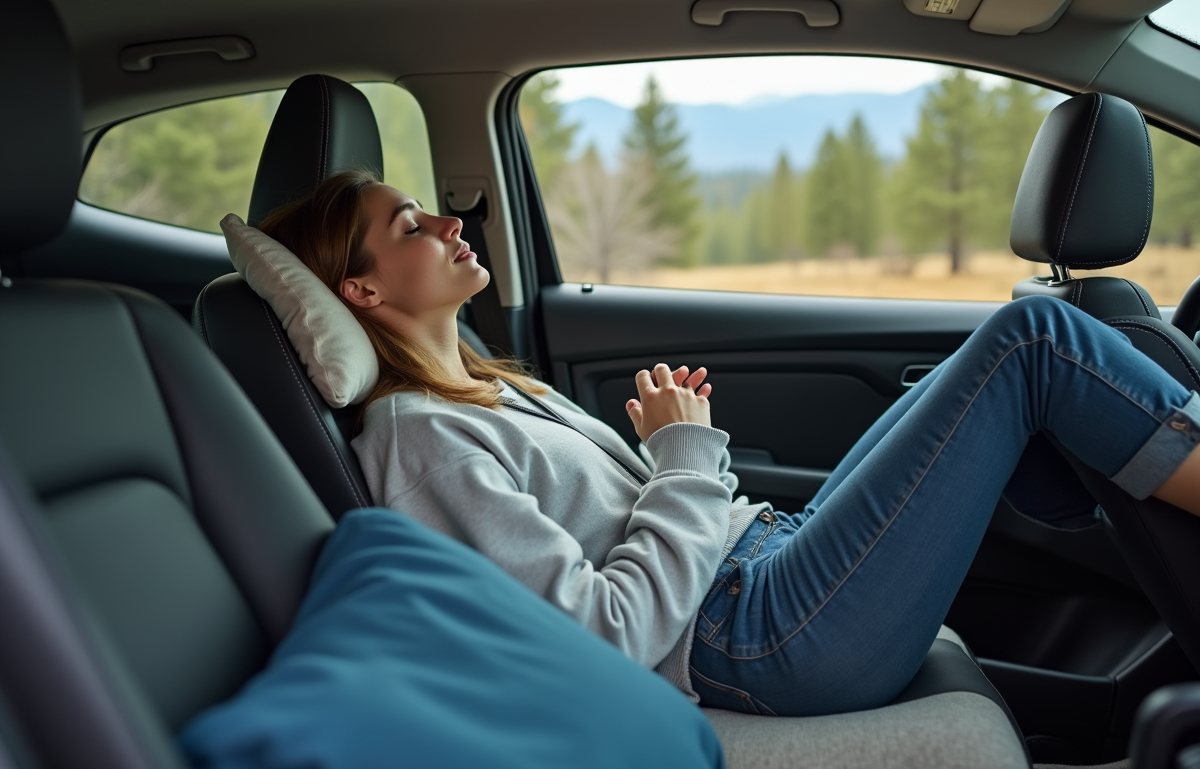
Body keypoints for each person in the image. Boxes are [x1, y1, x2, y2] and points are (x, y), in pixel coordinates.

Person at [259, 170, 1200, 717]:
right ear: (362, 293)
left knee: (1004, 365)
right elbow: (600, 641)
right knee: (1031, 344)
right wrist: (679, 459)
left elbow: (647, 526)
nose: (451, 223)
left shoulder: (491, 387)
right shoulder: (422, 442)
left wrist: (682, 456)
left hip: (757, 567)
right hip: (750, 638)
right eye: (411, 228)